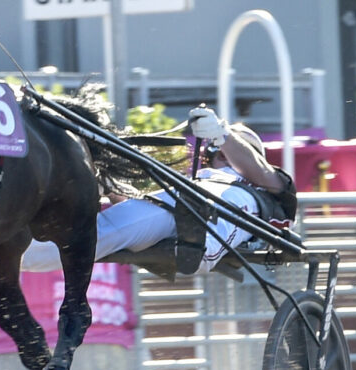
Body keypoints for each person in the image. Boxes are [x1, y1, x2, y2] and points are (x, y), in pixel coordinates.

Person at [22, 107, 296, 274]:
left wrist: (223, 134)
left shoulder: (267, 187)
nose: (224, 150)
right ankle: (15, 253)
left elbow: (258, 169)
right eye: (218, 148)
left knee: (218, 205)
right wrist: (111, 188)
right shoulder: (198, 177)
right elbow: (135, 211)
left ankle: (199, 240)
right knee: (104, 229)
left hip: (223, 213)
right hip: (180, 202)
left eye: (235, 146)